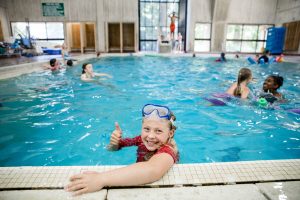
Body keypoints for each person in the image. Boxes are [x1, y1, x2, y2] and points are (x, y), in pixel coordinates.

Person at [65, 104, 179, 196]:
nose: (150, 136)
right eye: (147, 129)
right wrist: (114, 143)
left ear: (170, 133)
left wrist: (101, 179)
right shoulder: (141, 139)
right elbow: (114, 149)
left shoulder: (168, 150)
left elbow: (152, 170)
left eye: (158, 131)